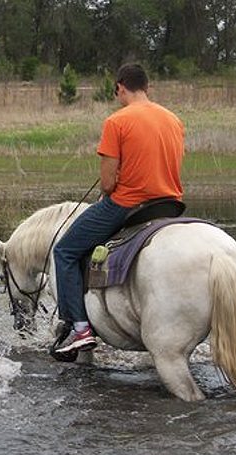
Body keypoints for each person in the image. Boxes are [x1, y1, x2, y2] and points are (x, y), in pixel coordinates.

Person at [53, 63, 185, 354]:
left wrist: (109, 188)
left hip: (129, 205)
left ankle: (80, 329)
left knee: (64, 251)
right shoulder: (173, 119)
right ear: (147, 88)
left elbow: (108, 183)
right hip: (169, 205)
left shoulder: (117, 121)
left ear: (120, 87)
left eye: (117, 92)